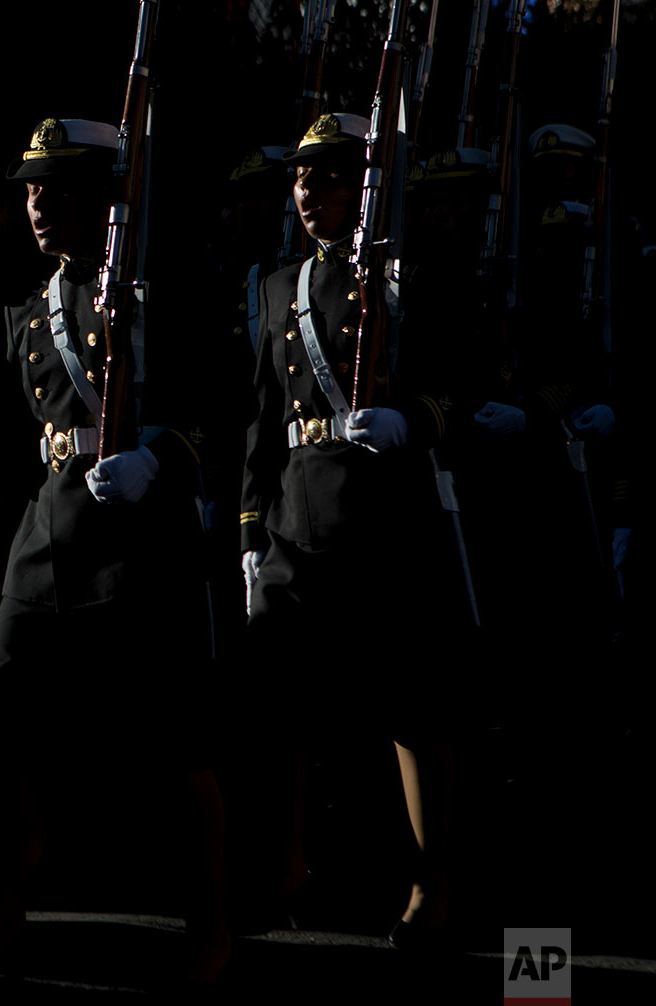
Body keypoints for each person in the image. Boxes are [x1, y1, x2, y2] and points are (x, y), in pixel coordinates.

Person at [0, 117, 228, 984]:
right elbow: (4, 445)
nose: (37, 205)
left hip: (139, 543)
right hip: (46, 537)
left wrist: (160, 456)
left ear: (105, 200)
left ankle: (212, 927)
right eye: (31, 188)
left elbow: (224, 408)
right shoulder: (30, 314)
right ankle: (1, 920)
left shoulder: (163, 293)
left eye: (57, 189)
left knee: (176, 746)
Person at [238, 112, 461, 949]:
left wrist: (417, 419)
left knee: (412, 706)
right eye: (301, 178)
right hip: (299, 519)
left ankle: (433, 882)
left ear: (364, 186)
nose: (308, 192)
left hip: (385, 518)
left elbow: (457, 382)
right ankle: (287, 864)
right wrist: (252, 532)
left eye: (328, 176)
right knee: (281, 709)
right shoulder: (276, 286)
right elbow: (262, 422)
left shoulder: (409, 275)